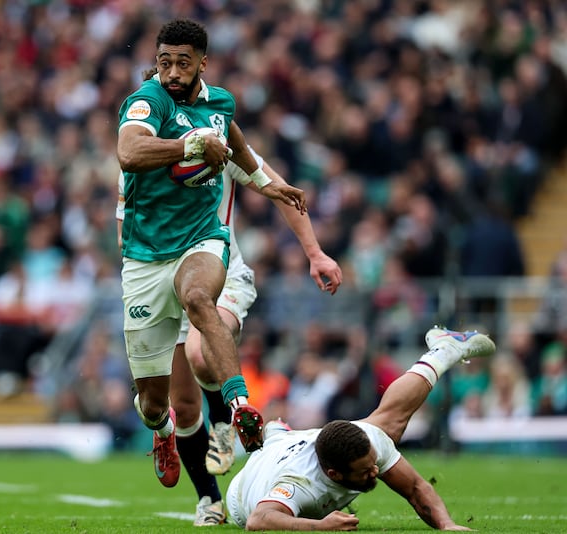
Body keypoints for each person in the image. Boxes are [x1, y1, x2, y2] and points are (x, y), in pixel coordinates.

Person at [116, 18, 306, 490]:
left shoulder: (219, 104)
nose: (173, 72)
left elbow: (239, 147)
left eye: (183, 63)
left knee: (200, 297)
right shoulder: (146, 102)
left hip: (202, 240)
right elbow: (128, 153)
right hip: (145, 258)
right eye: (165, 63)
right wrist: (192, 144)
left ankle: (239, 408)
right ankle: (161, 433)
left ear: (203, 63)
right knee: (156, 403)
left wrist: (270, 186)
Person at [116, 153, 342, 524]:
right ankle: (208, 496)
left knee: (202, 355)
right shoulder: (139, 154)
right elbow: (123, 227)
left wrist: (314, 253)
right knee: (176, 407)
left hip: (220, 273)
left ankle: (224, 421)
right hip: (162, 283)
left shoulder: (217, 139)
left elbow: (280, 190)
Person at [226, 326, 496, 531]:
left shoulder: (371, 444)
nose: (376, 471)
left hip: (293, 443)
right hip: (242, 494)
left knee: (389, 424)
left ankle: (445, 349)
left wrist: (447, 525)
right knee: (388, 423)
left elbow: (416, 488)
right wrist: (320, 526)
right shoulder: (300, 484)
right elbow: (257, 519)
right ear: (334, 474)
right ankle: (264, 433)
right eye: (366, 471)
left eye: (372, 463)